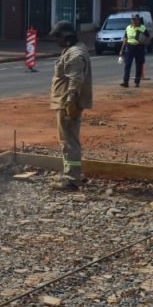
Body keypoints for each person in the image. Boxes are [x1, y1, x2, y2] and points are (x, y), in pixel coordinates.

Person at [49, 20, 93, 189]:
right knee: (68, 140)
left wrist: (69, 103)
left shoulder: (74, 54)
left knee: (68, 141)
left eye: (58, 37)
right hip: (66, 101)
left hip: (67, 102)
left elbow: (76, 80)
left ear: (66, 36)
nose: (56, 41)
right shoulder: (73, 49)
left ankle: (72, 179)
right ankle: (73, 174)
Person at [118, 13, 150, 88]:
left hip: (139, 47)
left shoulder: (142, 28)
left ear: (139, 20)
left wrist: (143, 41)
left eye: (136, 19)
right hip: (130, 47)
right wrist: (122, 50)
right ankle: (125, 82)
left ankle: (137, 82)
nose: (134, 21)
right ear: (131, 20)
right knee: (127, 65)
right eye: (133, 19)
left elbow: (148, 37)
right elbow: (125, 38)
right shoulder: (128, 28)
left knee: (139, 65)